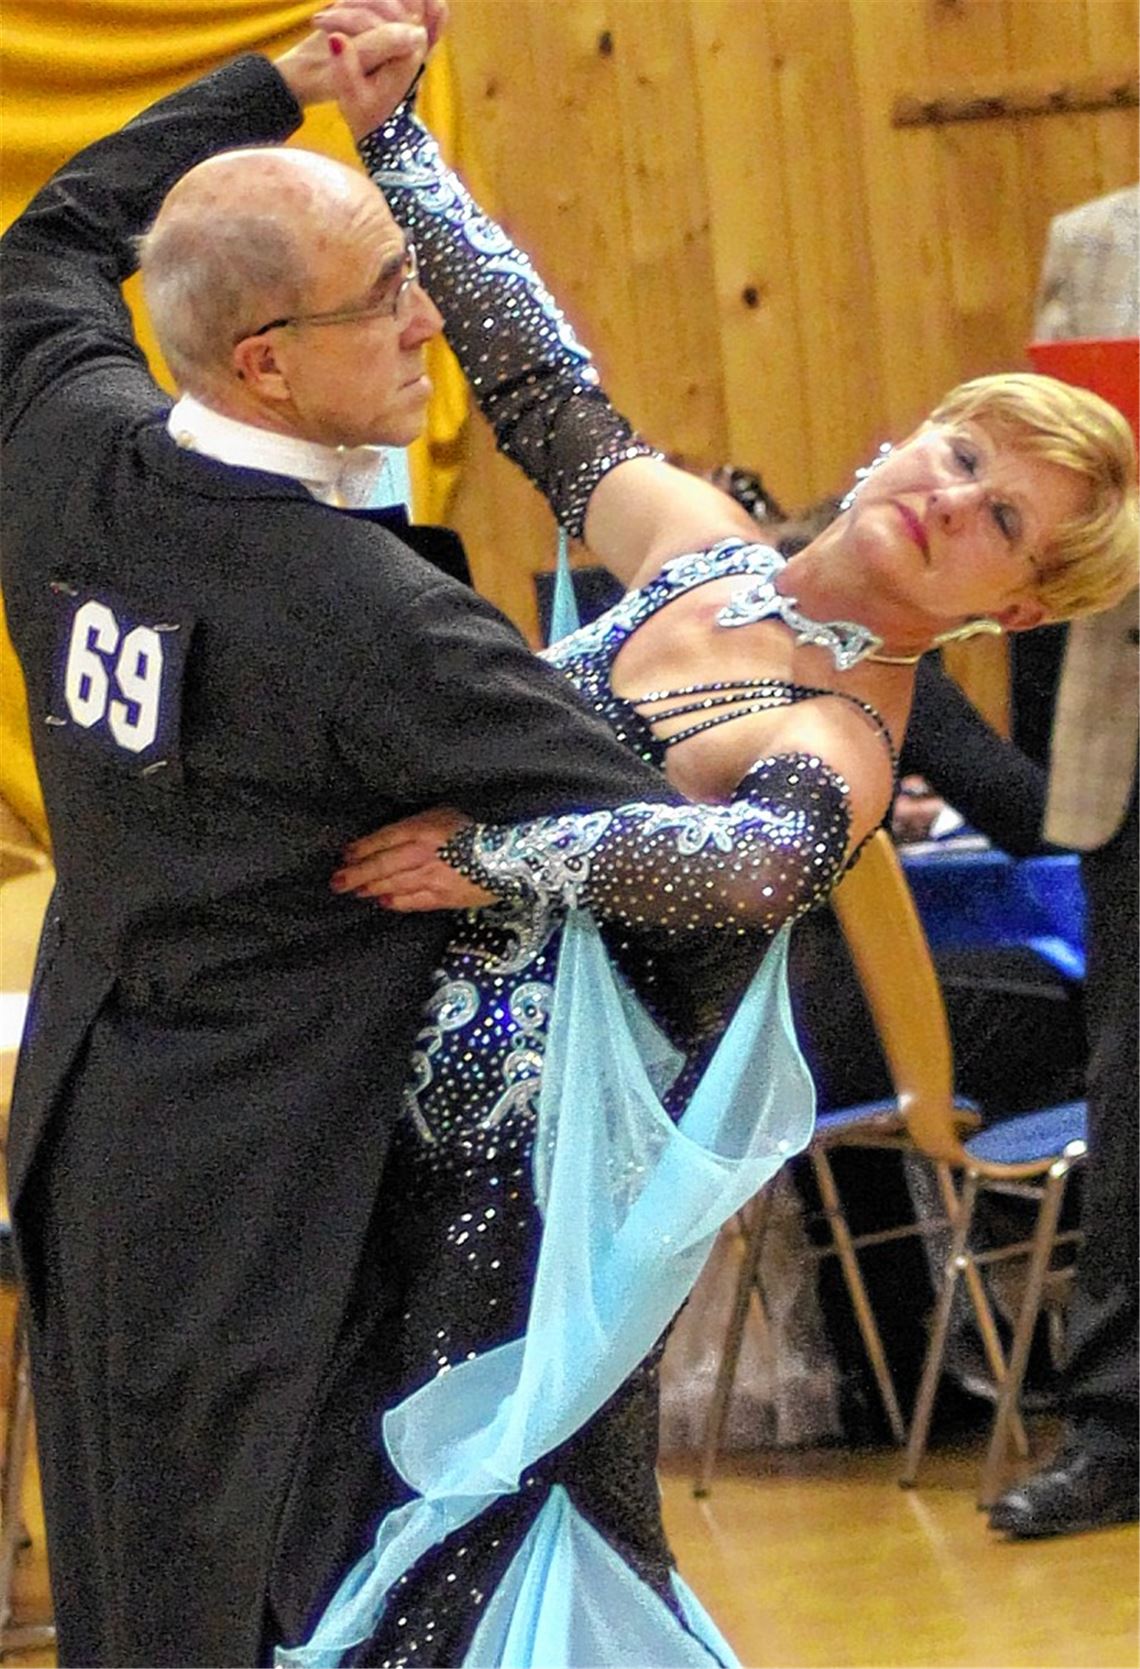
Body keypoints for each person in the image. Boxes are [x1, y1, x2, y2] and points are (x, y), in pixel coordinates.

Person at [270, 17, 1137, 1663]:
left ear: (1008, 606)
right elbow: (540, 390)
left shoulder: (847, 737)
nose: (953, 499)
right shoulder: (701, 542)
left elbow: (745, 868)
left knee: (465, 1547)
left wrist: (500, 858)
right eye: (964, 455)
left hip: (541, 1176)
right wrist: (397, 146)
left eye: (1000, 520)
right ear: (908, 437)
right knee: (348, 1518)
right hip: (391, 1084)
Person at [0, 20, 706, 1667]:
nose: (425, 316)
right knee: (276, 1593)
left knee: (126, 1571)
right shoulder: (374, 618)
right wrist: (497, 855)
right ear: (262, 358)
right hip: (284, 1189)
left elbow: (51, 236)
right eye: (384, 295)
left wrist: (290, 83)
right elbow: (668, 832)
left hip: (92, 1131)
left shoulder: (60, 438)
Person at [989, 183, 1140, 1540]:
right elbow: (1040, 490)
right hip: (1129, 734)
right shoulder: (1093, 240)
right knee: (1132, 1091)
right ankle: (1115, 1428)